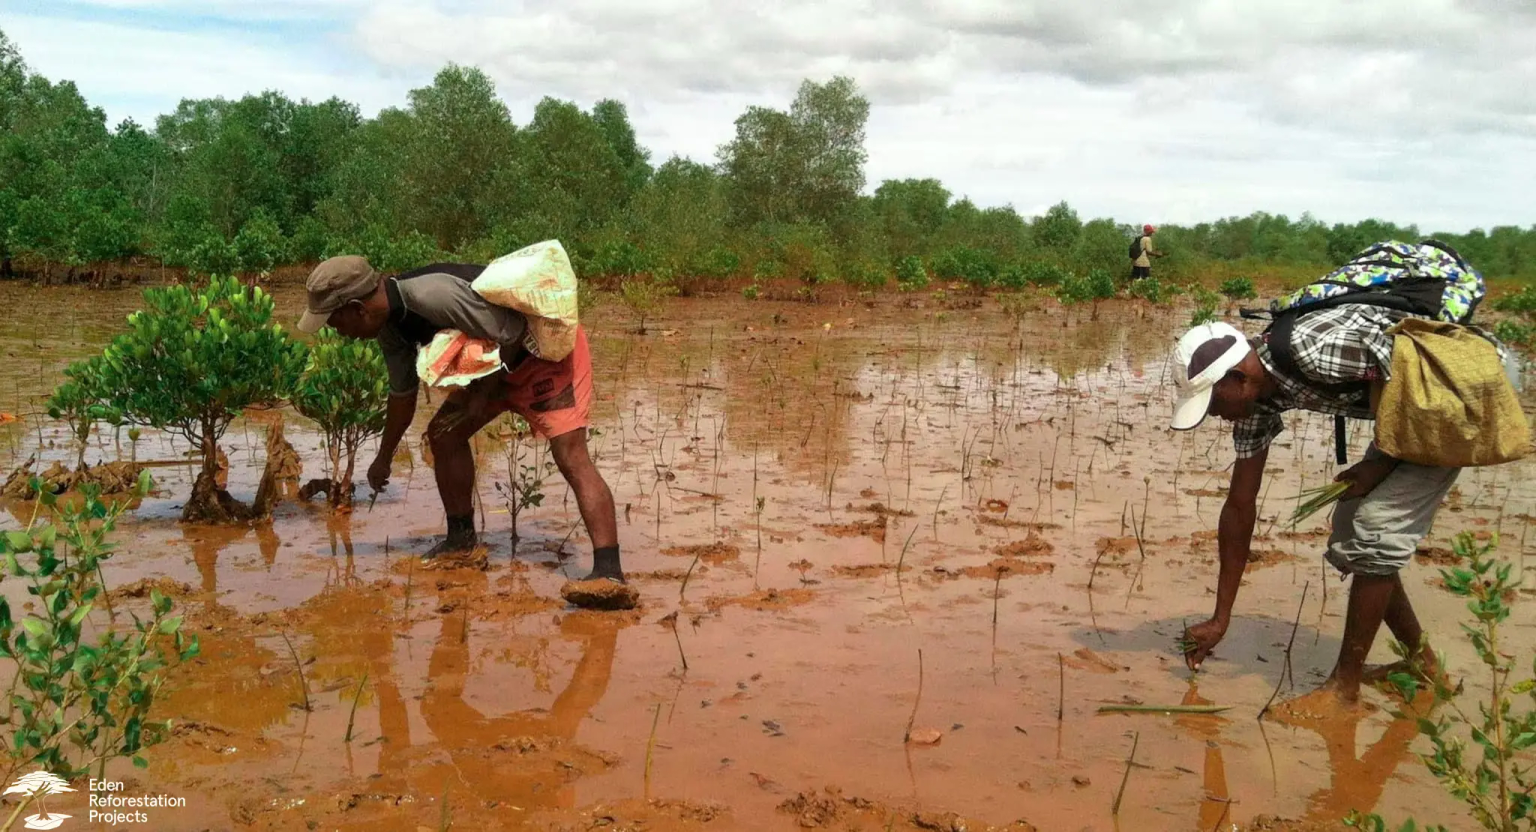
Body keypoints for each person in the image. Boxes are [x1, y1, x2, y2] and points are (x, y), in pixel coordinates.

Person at [1169, 313, 1502, 710]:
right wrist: (1220, 619)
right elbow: (1240, 505)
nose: (1214, 415)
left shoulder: (1312, 349)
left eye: (1213, 402)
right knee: (1349, 527)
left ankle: (1344, 689)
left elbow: (1415, 380)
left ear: (1239, 377)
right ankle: (1422, 664)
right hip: (1407, 413)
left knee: (1375, 532)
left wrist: (1378, 467)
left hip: (1453, 398)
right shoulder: (1255, 404)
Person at [296, 255, 624, 584]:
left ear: (357, 308)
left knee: (571, 455)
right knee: (444, 435)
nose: (341, 334)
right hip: (490, 371)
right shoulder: (389, 328)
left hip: (539, 356)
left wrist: (480, 399)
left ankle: (609, 573)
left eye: (336, 323)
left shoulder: (432, 296)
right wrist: (383, 458)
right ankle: (461, 540)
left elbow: (513, 332)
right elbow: (402, 396)